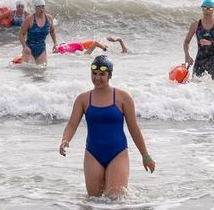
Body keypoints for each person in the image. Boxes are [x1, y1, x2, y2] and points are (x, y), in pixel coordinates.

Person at [58, 55, 156, 198]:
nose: (97, 78)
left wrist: (145, 156)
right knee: (94, 202)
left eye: (102, 74)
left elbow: (134, 128)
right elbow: (72, 124)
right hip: (92, 154)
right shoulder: (83, 99)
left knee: (115, 202)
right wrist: (65, 139)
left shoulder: (123, 98)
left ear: (110, 75)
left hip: (118, 153)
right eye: (94, 73)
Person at [183, 0, 214, 79]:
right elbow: (186, 42)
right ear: (202, 8)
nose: (207, 10)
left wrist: (211, 43)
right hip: (199, 61)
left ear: (213, 9)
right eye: (205, 8)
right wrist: (187, 56)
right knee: (196, 88)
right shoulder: (195, 25)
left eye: (210, 8)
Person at [18, 0, 58, 65]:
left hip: (41, 50)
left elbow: (52, 31)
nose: (41, 9)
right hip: (29, 50)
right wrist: (25, 46)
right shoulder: (30, 19)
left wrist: (55, 43)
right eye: (39, 7)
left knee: (41, 72)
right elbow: (21, 34)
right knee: (30, 70)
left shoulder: (49, 18)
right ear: (35, 8)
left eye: (43, 6)